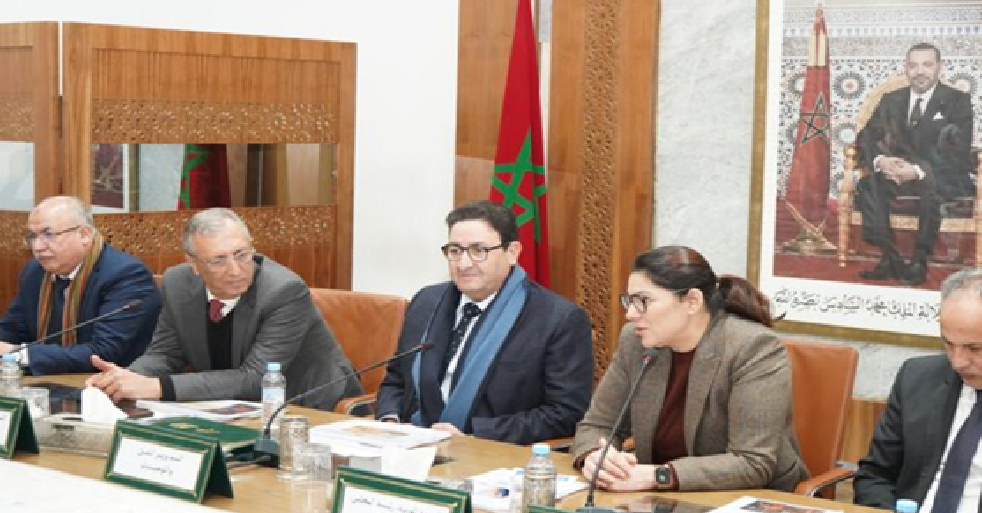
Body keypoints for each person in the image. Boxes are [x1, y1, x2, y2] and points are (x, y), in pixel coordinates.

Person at [571, 246, 808, 492]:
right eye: (629, 301)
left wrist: (659, 476)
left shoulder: (753, 347)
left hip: (749, 495)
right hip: (659, 497)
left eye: (643, 301)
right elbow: (596, 425)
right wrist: (596, 456)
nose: (630, 314)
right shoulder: (635, 340)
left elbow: (753, 462)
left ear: (692, 301)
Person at [86, 208, 361, 410]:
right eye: (218, 260)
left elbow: (256, 379)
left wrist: (156, 387)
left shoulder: (284, 291)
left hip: (309, 405)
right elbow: (165, 354)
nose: (235, 270)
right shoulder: (177, 283)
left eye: (242, 254)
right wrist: (123, 379)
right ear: (193, 264)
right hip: (232, 408)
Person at [375, 200, 593, 444]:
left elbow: (565, 413)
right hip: (410, 445)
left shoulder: (558, 319)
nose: (464, 264)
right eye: (455, 251)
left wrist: (475, 436)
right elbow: (396, 380)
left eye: (478, 251)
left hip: (491, 452)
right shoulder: (426, 302)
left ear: (512, 252)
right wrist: (390, 421)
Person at [854, 267, 982, 511]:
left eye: (974, 348)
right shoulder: (917, 378)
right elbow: (875, 476)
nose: (957, 362)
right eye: (948, 343)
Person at [854, 42, 975, 286]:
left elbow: (958, 151)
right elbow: (865, 137)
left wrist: (918, 171)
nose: (920, 71)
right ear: (906, 68)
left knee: (931, 189)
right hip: (899, 173)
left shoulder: (957, 101)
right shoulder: (891, 100)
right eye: (913, 65)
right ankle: (890, 259)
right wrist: (881, 160)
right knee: (869, 184)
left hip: (940, 176)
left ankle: (920, 260)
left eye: (927, 65)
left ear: (940, 67)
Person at [0, 196, 160, 375]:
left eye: (48, 235)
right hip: (47, 381)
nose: (37, 247)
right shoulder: (35, 272)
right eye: (32, 236)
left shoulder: (127, 275)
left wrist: (20, 355)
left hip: (111, 384)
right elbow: (13, 328)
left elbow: (104, 352)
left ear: (84, 234)